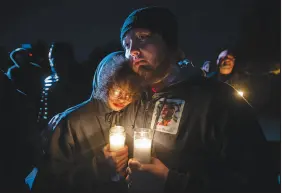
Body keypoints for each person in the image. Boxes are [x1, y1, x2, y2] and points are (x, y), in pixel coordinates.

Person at [119, 7, 273, 193]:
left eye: (143, 37)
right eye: (126, 45)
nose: (133, 51)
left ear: (170, 44)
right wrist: (111, 165)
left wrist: (173, 182)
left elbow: (259, 180)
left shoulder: (218, 100)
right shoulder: (133, 102)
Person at [33, 51, 143, 193]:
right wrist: (97, 169)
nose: (123, 98)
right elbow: (50, 181)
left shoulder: (132, 116)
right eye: (117, 90)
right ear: (104, 81)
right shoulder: (70, 122)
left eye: (130, 93)